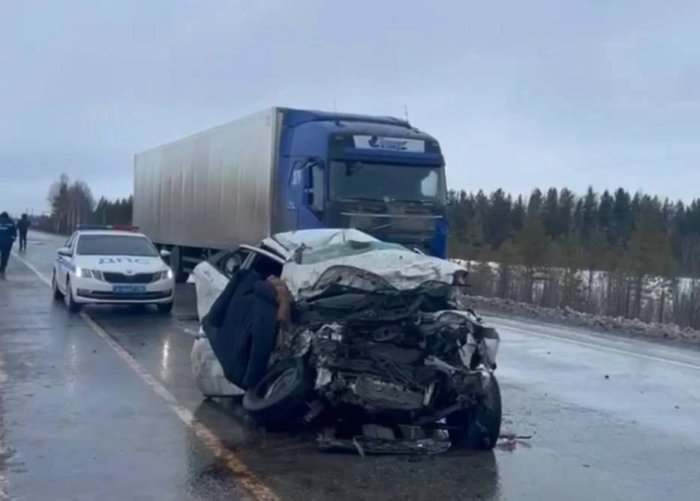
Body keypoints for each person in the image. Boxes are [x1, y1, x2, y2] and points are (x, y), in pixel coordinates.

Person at [0, 211, 17, 279]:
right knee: (5, 255)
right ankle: (3, 267)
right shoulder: (11, 221)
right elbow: (14, 232)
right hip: (7, 242)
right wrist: (12, 240)